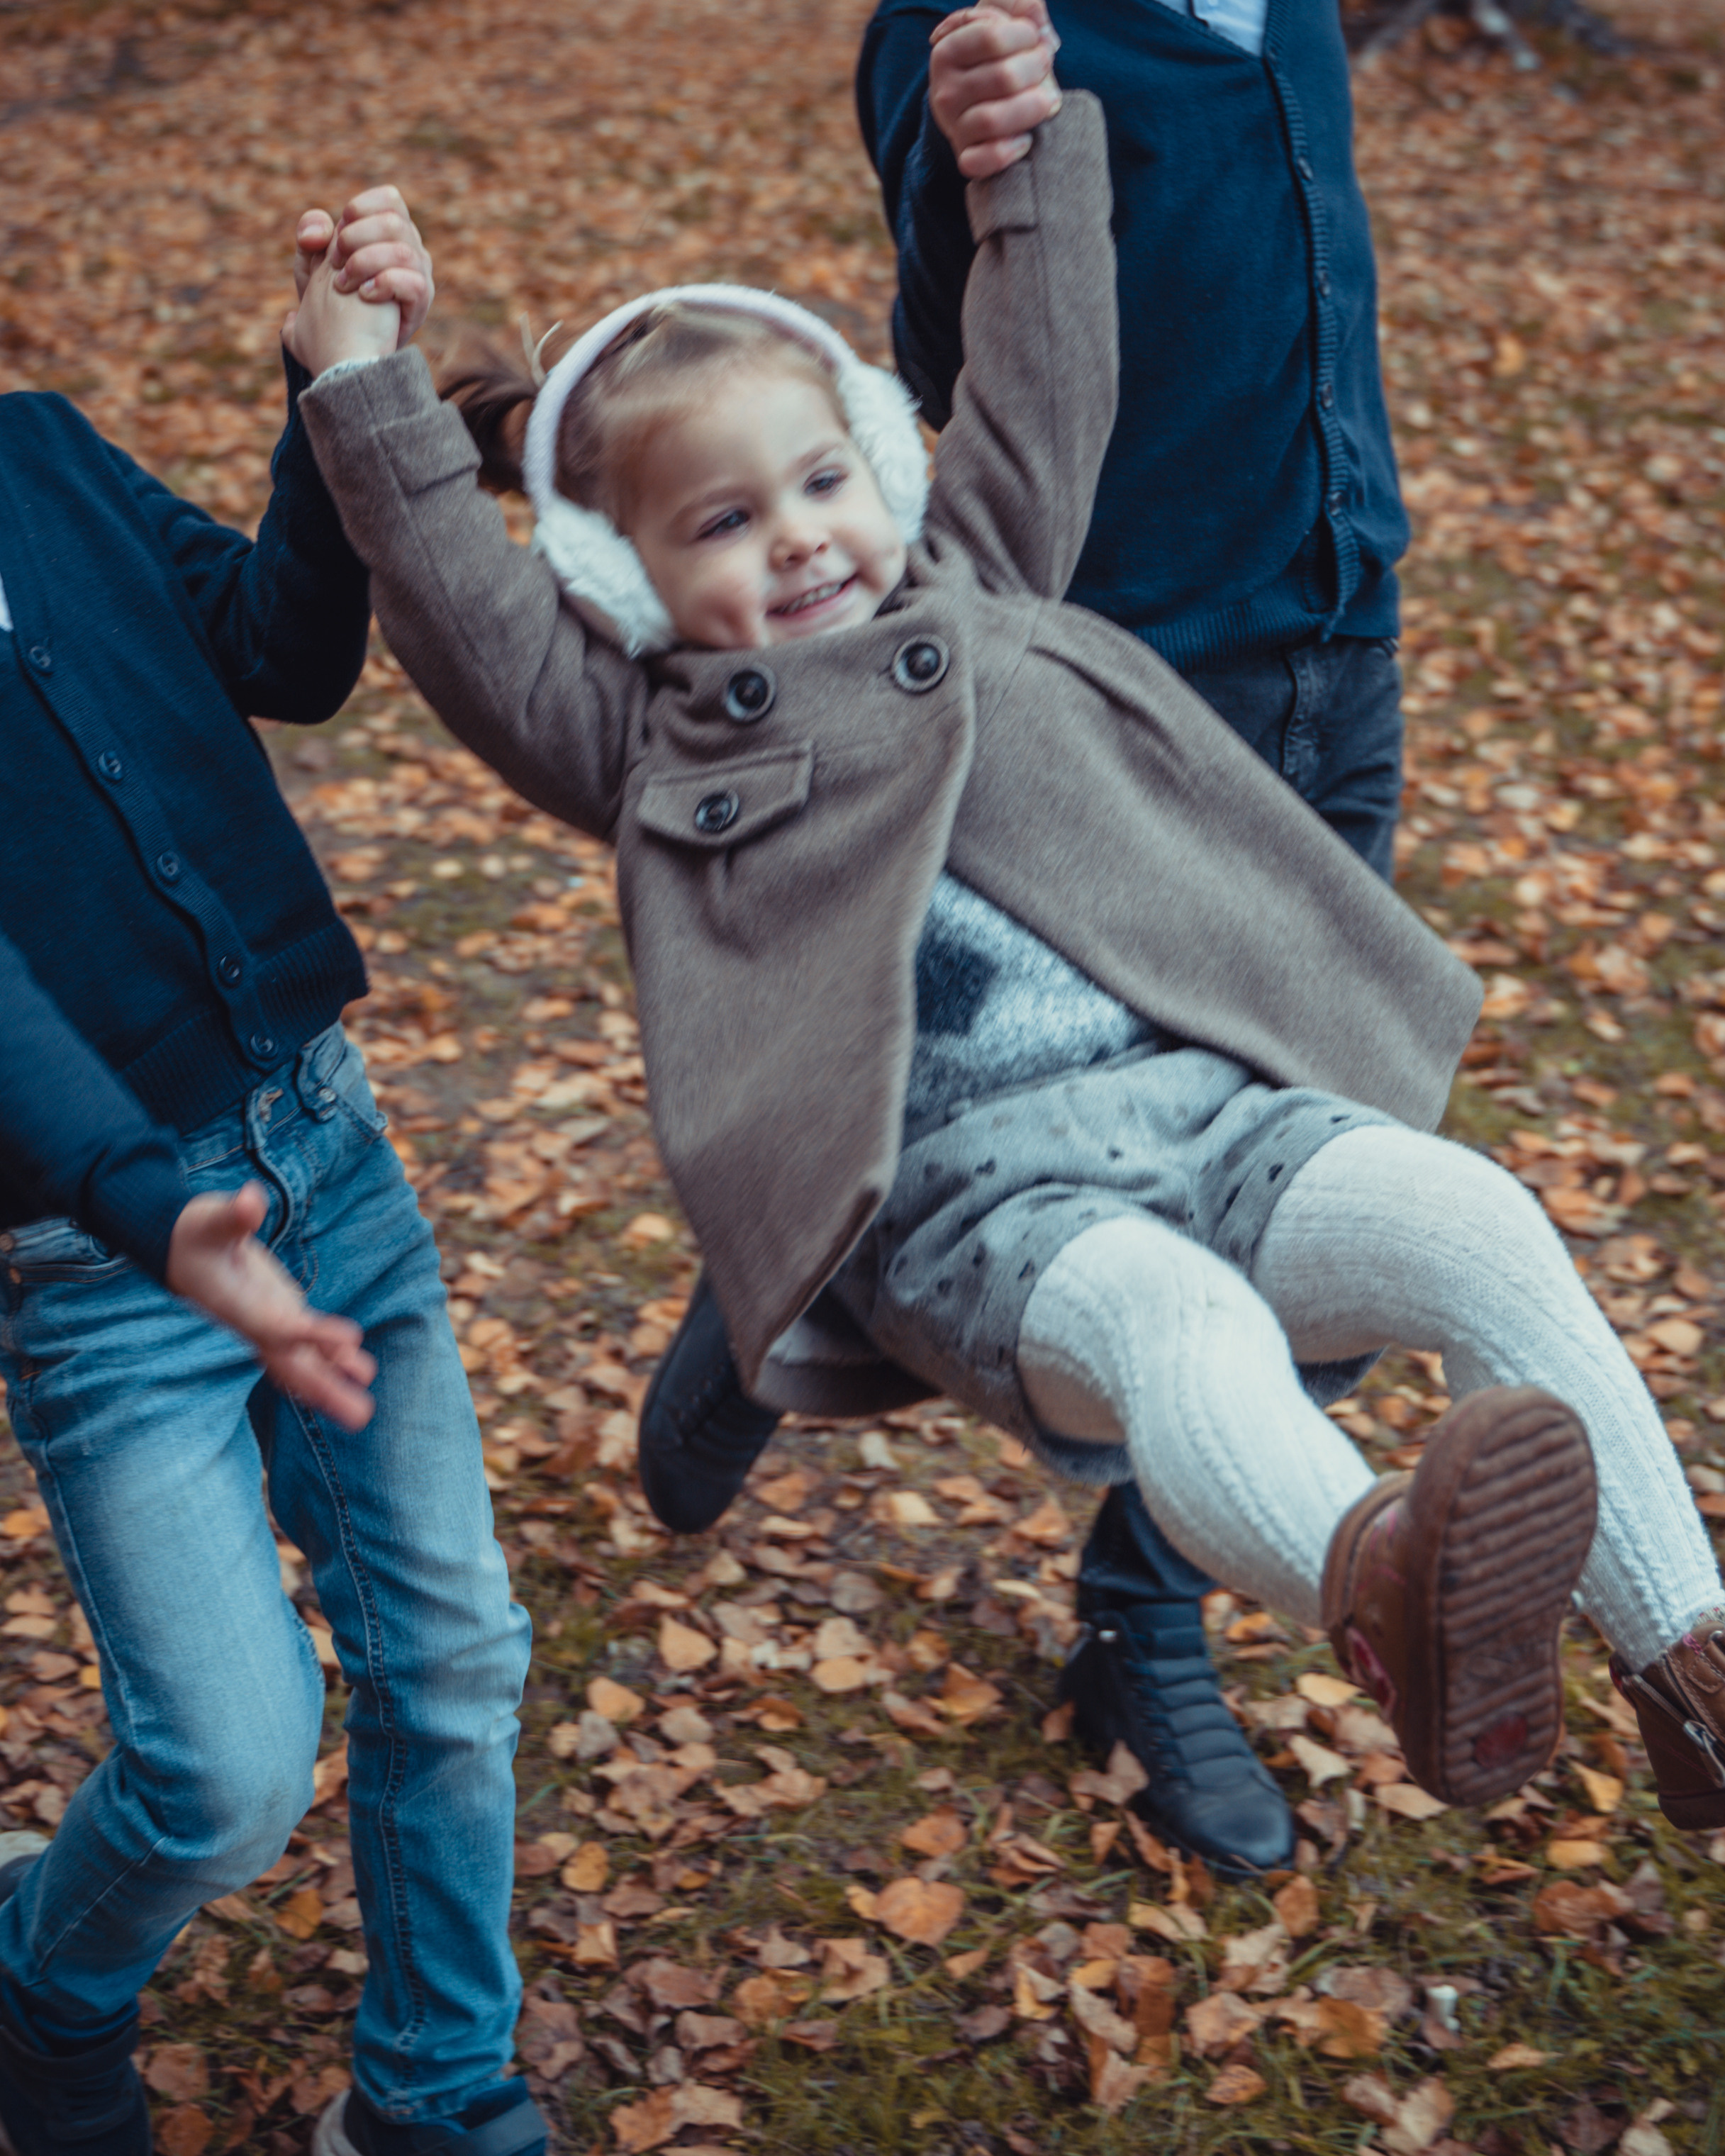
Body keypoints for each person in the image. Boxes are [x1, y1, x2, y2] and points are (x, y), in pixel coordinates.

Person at [291, 87, 1725, 1848]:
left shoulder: (975, 574)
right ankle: (1391, 1590)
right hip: (978, 1215)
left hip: (1213, 1113)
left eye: (822, 480)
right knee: (1180, 1328)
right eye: (725, 523)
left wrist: (1018, 160)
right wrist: (364, 377)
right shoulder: (638, 739)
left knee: (1475, 1224)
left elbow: (1043, 365)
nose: (801, 535)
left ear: (884, 470)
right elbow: (454, 599)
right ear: (621, 573)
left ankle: (1690, 1674)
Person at [839, 0, 1413, 1872]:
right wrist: (957, 148)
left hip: (1342, 639)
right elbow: (950, 350)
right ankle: (1150, 1627)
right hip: (1147, 699)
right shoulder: (978, 22)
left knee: (1356, 1158)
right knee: (1173, 1202)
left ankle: (1140, 1587)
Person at [0, 194, 547, 2156]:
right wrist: (149, 1208)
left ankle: (430, 2093)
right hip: (97, 1255)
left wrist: (334, 402)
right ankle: (41, 1977)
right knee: (227, 1771)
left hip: (325, 1155)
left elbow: (274, 649)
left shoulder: (35, 447)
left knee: (455, 1652)